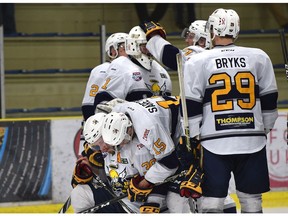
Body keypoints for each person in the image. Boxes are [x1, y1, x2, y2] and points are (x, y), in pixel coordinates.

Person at [181, 8, 278, 213]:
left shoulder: (198, 61)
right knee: (252, 200)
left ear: (213, 30)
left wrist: (193, 137)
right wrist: (263, 130)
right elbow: (269, 101)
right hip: (252, 139)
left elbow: (191, 105)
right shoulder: (259, 57)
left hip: (214, 141)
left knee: (212, 202)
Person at [141, 20, 237, 213]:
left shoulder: (199, 54)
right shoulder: (225, 59)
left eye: (191, 36)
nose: (187, 40)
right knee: (217, 187)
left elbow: (172, 57)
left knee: (197, 190)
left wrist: (154, 38)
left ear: (204, 40)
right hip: (225, 127)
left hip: (204, 133)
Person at [93, 25, 172, 110]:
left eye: (152, 47)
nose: (149, 51)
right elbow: (102, 106)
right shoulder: (121, 65)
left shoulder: (161, 71)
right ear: (133, 45)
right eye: (145, 46)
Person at [81, 32, 128, 121]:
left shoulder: (133, 69)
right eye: (124, 47)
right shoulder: (101, 70)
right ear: (112, 51)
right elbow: (88, 105)